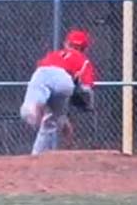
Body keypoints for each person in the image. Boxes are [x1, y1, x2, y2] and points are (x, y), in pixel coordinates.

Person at [19, 28, 96, 156]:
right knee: (51, 121)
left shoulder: (53, 54)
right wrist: (86, 103)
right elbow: (87, 87)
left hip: (43, 73)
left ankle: (35, 110)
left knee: (31, 105)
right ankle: (37, 154)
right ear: (84, 48)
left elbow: (44, 72)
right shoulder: (83, 59)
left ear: (66, 44)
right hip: (65, 81)